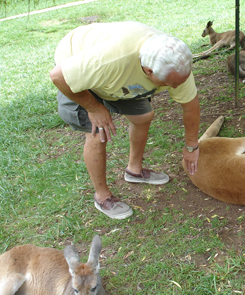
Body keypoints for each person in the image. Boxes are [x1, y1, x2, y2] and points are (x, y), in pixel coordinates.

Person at [49, 21, 200, 220]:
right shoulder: (110, 59)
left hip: (117, 80)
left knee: (143, 116)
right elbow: (58, 76)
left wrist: (191, 146)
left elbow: (190, 105)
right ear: (149, 71)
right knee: (97, 132)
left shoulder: (176, 65)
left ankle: (134, 171)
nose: (172, 88)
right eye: (166, 85)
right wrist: (94, 108)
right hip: (75, 69)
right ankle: (102, 196)